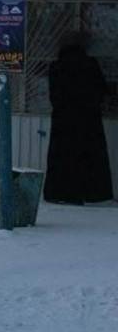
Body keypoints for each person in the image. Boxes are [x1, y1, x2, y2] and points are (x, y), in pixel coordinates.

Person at [44, 32, 114, 205]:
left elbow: (54, 96)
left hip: (63, 121)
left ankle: (62, 192)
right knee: (90, 157)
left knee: (62, 157)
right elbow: (102, 90)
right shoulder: (90, 65)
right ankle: (92, 192)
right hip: (88, 120)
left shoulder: (57, 67)